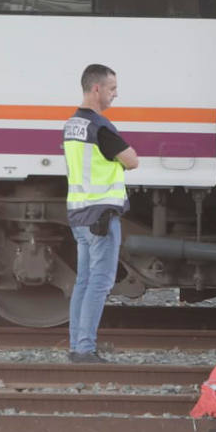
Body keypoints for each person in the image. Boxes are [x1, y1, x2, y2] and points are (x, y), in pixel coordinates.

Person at [63, 64, 138, 362]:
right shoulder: (100, 126)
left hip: (78, 215)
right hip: (101, 217)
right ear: (96, 89)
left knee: (83, 281)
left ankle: (76, 346)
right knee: (100, 282)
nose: (115, 94)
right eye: (111, 89)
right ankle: (85, 348)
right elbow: (132, 161)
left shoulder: (72, 124)